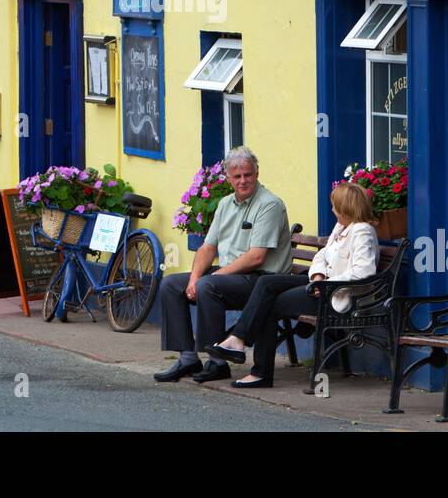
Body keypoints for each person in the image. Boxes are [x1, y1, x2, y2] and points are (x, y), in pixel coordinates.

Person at [206, 181, 380, 388]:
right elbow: (321, 256)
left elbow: (364, 272)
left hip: (337, 297)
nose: (332, 208)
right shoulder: (342, 226)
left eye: (335, 204)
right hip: (321, 285)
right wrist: (317, 276)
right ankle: (237, 340)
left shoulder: (362, 231)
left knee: (269, 304)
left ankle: (254, 364)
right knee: (267, 283)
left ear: (345, 207)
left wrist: (326, 284)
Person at [153, 147, 292, 384]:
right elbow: (208, 247)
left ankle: (217, 362)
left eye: (248, 174)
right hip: (230, 276)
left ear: (257, 173)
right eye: (237, 176)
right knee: (171, 284)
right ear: (228, 178)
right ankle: (188, 357)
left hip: (261, 280)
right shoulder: (225, 203)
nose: (243, 181)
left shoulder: (269, 204)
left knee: (209, 285)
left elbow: (256, 257)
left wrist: (212, 277)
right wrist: (194, 278)